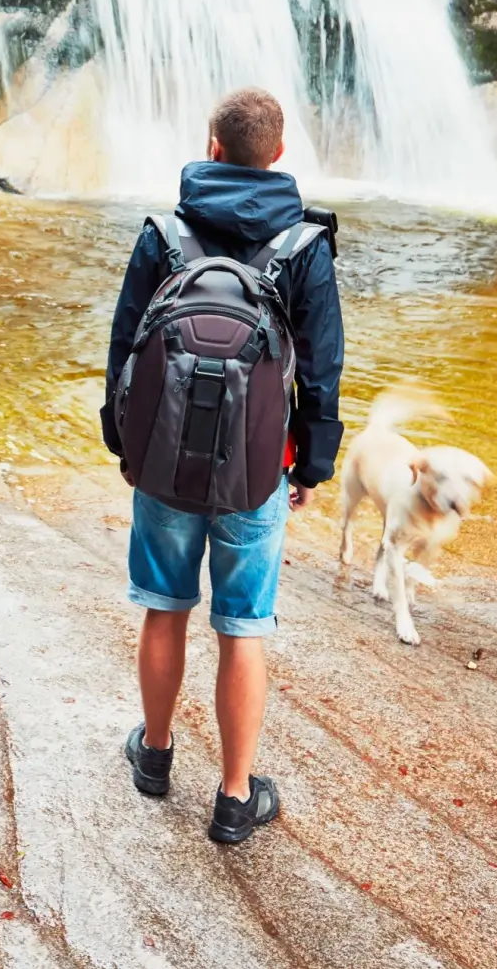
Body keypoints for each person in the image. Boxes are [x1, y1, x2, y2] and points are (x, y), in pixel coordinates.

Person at [100, 86, 344, 844]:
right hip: (257, 469)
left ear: (211, 147)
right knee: (242, 627)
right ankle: (236, 796)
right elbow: (324, 371)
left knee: (164, 606)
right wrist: (312, 464)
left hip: (165, 463)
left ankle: (157, 753)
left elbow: (122, 351)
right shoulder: (304, 248)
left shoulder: (164, 235)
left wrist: (124, 443)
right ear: (277, 157)